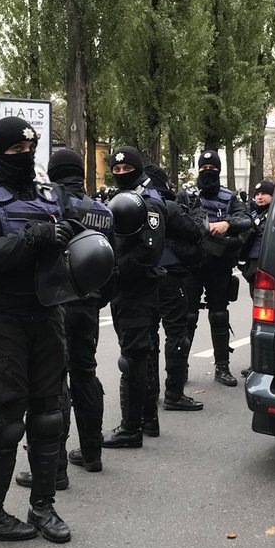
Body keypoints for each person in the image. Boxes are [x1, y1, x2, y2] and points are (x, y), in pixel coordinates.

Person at [0, 116, 74, 543]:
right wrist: (35, 238)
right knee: (7, 417)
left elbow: (72, 241)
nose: (24, 157)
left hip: (47, 310)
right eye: (16, 151)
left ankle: (43, 506)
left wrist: (71, 240)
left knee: (48, 413)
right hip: (0, 315)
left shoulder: (49, 194)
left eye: (30, 150)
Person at [14, 149, 114, 486]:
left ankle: (54, 469)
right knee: (86, 373)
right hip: (88, 305)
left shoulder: (50, 205)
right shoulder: (102, 210)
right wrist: (98, 300)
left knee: (53, 384)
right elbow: (110, 263)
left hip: (55, 304)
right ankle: (92, 453)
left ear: (55, 173)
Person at [101, 147, 168, 449]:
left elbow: (147, 253)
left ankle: (131, 427)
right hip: (125, 290)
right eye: (116, 170)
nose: (121, 173)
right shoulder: (118, 201)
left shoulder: (150, 202)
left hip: (137, 289)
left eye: (127, 168)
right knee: (143, 353)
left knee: (133, 357)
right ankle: (148, 419)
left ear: (137, 168)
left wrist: (115, 271)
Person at [177, 150, 251, 387]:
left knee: (219, 315)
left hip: (219, 266)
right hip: (191, 265)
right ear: (198, 169)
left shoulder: (230, 197)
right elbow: (174, 222)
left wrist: (226, 224)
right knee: (187, 317)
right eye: (204, 167)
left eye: (212, 168)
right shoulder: (186, 196)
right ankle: (180, 368)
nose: (208, 171)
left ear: (219, 170)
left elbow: (246, 219)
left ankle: (222, 367)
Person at [143, 165, 208, 416]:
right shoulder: (166, 206)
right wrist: (197, 213)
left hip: (145, 276)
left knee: (149, 337)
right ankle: (174, 393)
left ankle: (151, 391)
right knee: (176, 333)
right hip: (170, 275)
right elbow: (195, 232)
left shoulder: (134, 203)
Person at [238, 179, 274, 378]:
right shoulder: (254, 215)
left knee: (265, 319)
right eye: (257, 194)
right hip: (254, 271)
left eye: (264, 194)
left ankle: (264, 363)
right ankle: (260, 362)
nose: (259, 197)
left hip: (267, 270)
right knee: (260, 318)